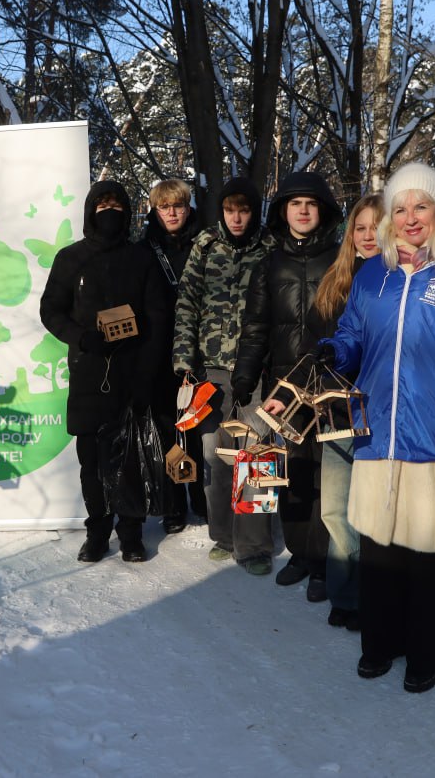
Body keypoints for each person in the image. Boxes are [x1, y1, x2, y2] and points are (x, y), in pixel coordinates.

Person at [321, 164, 435, 689]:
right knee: (380, 547)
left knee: (433, 556)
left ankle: (428, 655)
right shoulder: (372, 272)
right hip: (379, 430)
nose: (410, 218)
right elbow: (354, 330)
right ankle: (380, 643)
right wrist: (337, 349)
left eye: (421, 206)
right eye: (400, 208)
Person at [39, 181, 170, 563]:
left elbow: (159, 319)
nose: (109, 212)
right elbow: (51, 310)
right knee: (91, 462)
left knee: (130, 458)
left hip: (133, 375)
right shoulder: (70, 258)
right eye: (102, 205)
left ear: (128, 213)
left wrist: (146, 373)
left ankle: (131, 532)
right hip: (87, 374)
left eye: (116, 206)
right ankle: (96, 531)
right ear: (89, 211)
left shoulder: (141, 258)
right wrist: (81, 339)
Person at [232, 171, 341, 600]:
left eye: (310, 204)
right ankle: (299, 552)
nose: (302, 210)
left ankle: (322, 559)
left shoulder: (340, 261)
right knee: (292, 470)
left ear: (323, 211)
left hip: (330, 380)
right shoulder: (268, 265)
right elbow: (255, 326)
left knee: (325, 472)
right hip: (283, 385)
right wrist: (245, 374)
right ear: (282, 212)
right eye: (294, 204)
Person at [173, 177, 276, 574]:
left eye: (244, 210)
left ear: (254, 212)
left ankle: (254, 545)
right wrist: (184, 363)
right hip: (209, 372)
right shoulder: (205, 246)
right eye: (230, 210)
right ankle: (224, 535)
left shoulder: (269, 249)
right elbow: (187, 305)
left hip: (256, 370)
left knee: (256, 453)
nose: (236, 218)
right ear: (221, 211)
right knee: (215, 455)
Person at [312, 193, 383, 629]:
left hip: (378, 411)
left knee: (369, 511)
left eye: (377, 226)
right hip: (337, 410)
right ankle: (344, 593)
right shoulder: (335, 279)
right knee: (334, 509)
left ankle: (366, 594)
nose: (369, 235)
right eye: (360, 227)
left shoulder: (396, 280)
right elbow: (317, 342)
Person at [139, 178, 204, 534]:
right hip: (159, 351)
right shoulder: (145, 247)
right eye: (164, 207)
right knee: (168, 431)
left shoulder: (206, 241)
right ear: (155, 210)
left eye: (177, 205)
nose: (171, 213)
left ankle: (204, 499)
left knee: (198, 427)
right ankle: (174, 504)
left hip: (198, 349)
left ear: (187, 206)